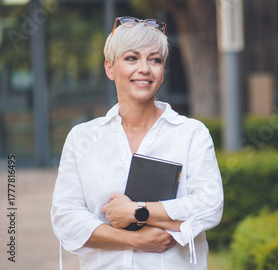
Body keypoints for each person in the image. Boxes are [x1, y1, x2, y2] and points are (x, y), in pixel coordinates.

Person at [51, 16, 224, 269]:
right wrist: (137, 240)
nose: (144, 68)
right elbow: (66, 218)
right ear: (110, 68)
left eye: (155, 59)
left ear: (162, 71)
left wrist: (138, 211)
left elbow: (209, 205)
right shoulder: (83, 138)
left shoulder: (191, 134)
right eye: (132, 58)